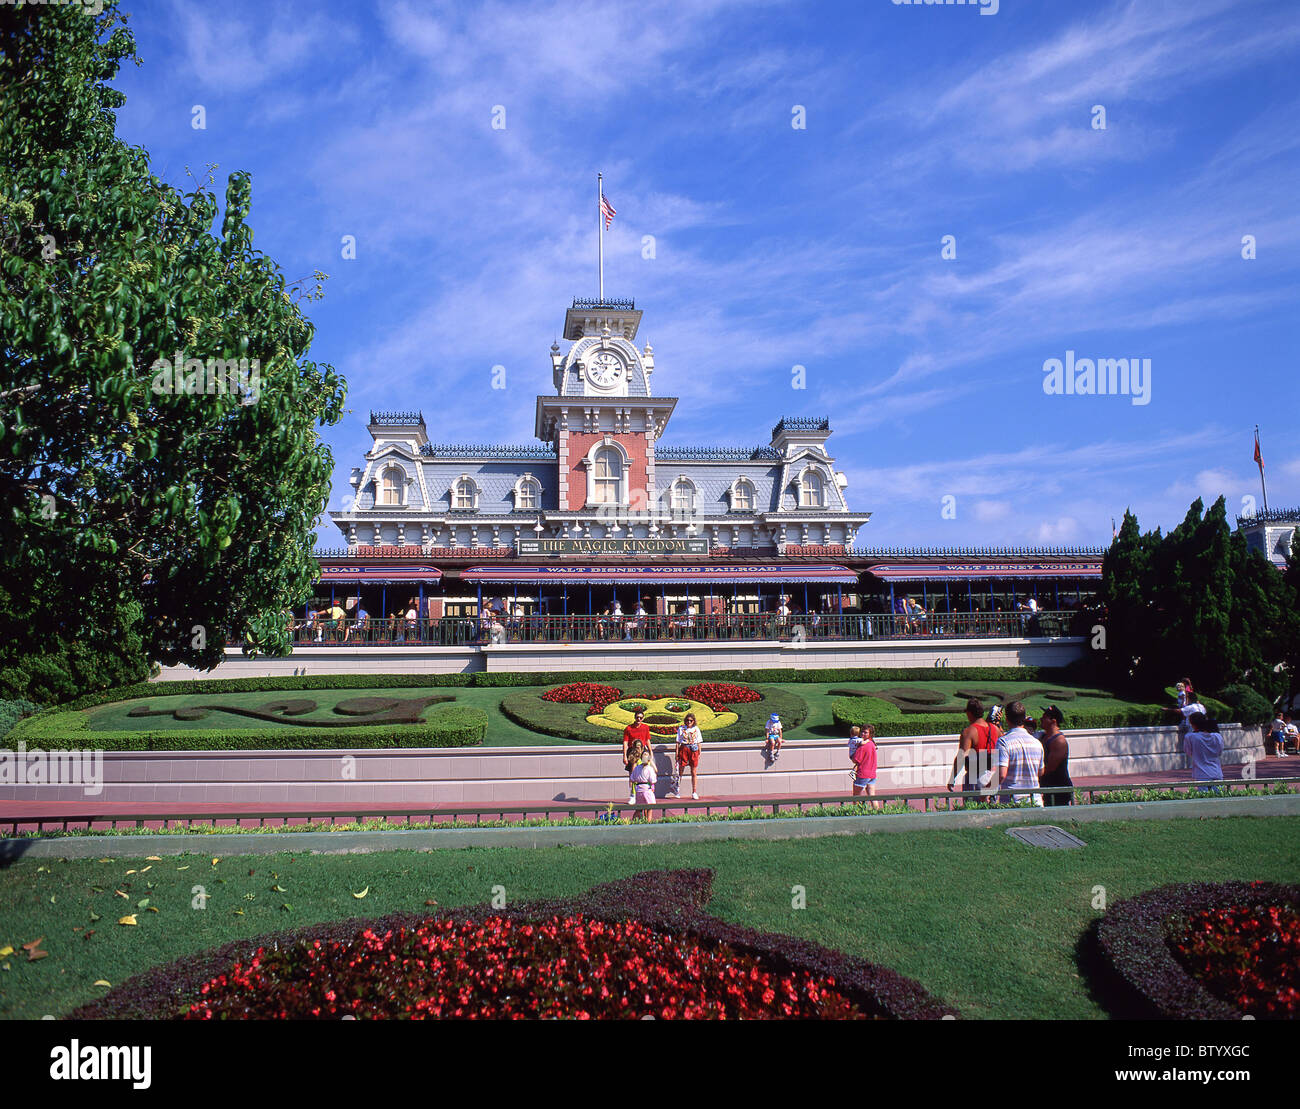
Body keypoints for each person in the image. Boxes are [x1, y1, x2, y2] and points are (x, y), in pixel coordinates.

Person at [947, 699, 1002, 797]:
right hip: (993, 777)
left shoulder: (969, 732)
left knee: (973, 810)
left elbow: (962, 757)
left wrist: (952, 778)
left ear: (969, 713)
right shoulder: (996, 729)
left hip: (975, 776)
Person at [997, 701, 1045, 806]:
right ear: (1024, 718)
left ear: (1006, 718)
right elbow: (1040, 772)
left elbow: (1002, 774)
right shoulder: (1037, 743)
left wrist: (987, 789)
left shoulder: (1003, 742)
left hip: (1012, 802)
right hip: (1035, 801)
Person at [1038, 705, 1073, 806]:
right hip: (1047, 787)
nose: (1041, 719)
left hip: (1058, 788)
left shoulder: (1059, 741)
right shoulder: (1043, 736)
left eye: (1044, 717)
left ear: (1053, 721)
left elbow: (1050, 768)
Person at [1183, 711, 1224, 789]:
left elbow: (1188, 752)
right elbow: (1220, 751)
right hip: (1217, 773)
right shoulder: (1217, 736)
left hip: (1202, 774)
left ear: (1193, 724)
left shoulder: (1190, 737)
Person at [622, 708, 652, 805]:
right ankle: (632, 795)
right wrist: (624, 756)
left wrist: (651, 752)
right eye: (637, 717)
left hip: (643, 751)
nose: (639, 719)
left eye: (641, 718)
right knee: (633, 774)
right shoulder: (628, 728)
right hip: (633, 752)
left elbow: (647, 740)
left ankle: (645, 793)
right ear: (634, 717)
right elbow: (625, 742)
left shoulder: (646, 727)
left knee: (645, 772)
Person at [673, 712, 704, 799]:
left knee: (693, 771)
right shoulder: (681, 728)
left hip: (693, 749)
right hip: (684, 748)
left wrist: (699, 752)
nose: (689, 722)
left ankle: (694, 791)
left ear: (694, 721)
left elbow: (699, 741)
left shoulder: (696, 729)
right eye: (687, 720)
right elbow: (677, 742)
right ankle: (677, 790)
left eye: (691, 720)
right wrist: (676, 753)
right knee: (681, 770)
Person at [850, 724, 879, 809]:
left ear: (870, 734)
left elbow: (855, 760)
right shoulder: (872, 744)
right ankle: (877, 813)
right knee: (872, 796)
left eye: (865, 732)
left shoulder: (863, 746)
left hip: (863, 773)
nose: (863, 734)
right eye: (862, 732)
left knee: (856, 796)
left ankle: (857, 814)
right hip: (872, 774)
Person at [628, 744, 657, 819]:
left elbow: (632, 779)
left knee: (639, 809)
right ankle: (649, 823)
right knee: (650, 808)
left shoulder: (637, 768)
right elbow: (653, 780)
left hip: (638, 790)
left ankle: (633, 821)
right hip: (647, 789)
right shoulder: (649, 769)